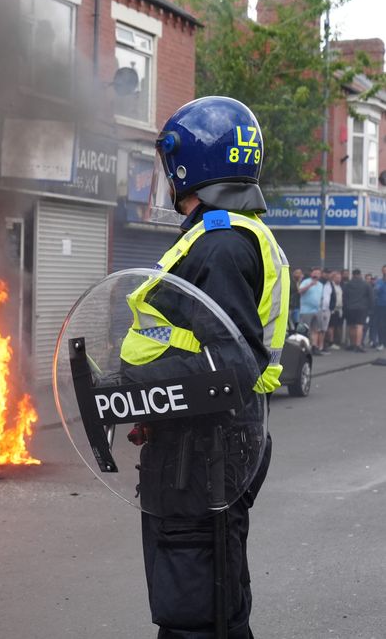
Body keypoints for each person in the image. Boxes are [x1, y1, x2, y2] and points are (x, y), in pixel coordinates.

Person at [123, 96, 288, 638]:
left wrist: (130, 390)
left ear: (186, 163)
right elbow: (205, 350)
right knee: (208, 599)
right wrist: (154, 407)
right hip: (205, 444)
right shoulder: (230, 234)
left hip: (203, 454)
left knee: (196, 610)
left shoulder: (218, 244)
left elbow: (229, 368)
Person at [342, 268, 373, 352]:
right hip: (361, 308)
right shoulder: (366, 284)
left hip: (350, 308)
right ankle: (358, 345)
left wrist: (345, 307)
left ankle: (352, 344)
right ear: (360, 275)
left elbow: (344, 297)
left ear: (352, 275)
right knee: (359, 326)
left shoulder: (347, 284)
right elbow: (371, 297)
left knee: (351, 326)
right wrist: (370, 308)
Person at [299, 267, 324, 353]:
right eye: (315, 272)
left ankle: (314, 346)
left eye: (318, 273)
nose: (316, 274)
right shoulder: (306, 281)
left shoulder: (321, 285)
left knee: (316, 330)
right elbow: (300, 291)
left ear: (320, 275)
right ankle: (304, 347)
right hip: (306, 310)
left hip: (317, 310)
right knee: (305, 329)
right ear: (311, 274)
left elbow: (321, 298)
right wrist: (310, 285)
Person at [326, 270, 344, 349]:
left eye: (340, 278)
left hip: (338, 310)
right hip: (332, 309)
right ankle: (330, 342)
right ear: (333, 278)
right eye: (337, 278)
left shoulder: (340, 286)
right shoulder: (330, 286)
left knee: (335, 326)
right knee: (331, 327)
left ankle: (334, 341)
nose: (339, 279)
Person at [374, 265, 386, 351]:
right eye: (384, 271)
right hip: (381, 306)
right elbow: (375, 291)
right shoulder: (379, 282)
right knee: (381, 325)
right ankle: (381, 343)